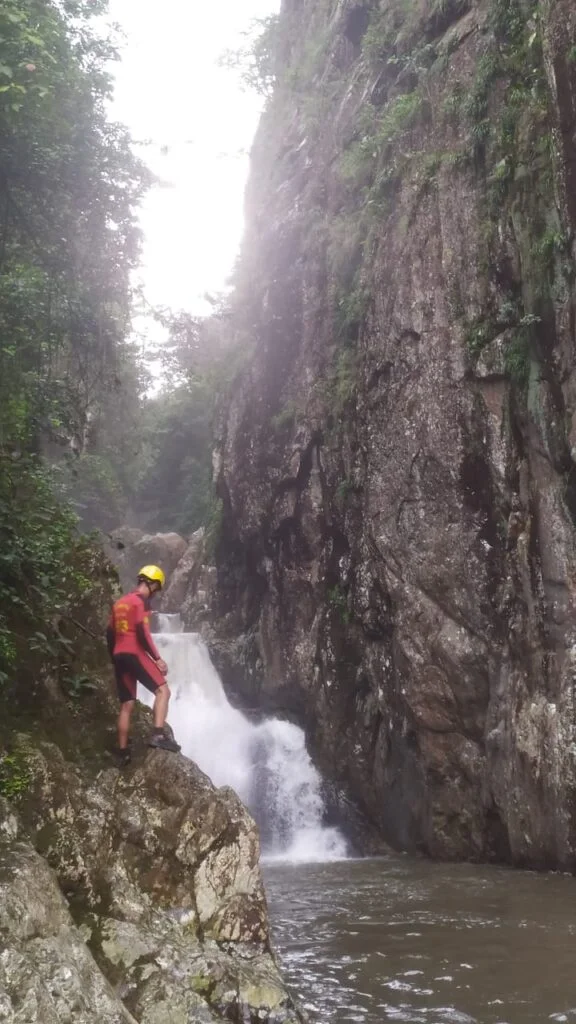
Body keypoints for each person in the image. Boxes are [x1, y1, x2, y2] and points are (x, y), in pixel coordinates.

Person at [106, 564, 180, 764]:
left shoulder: (119, 603)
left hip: (119, 654)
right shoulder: (142, 603)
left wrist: (114, 658)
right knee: (163, 691)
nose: (156, 592)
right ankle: (157, 734)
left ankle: (122, 753)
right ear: (153, 584)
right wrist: (157, 659)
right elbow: (143, 632)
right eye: (157, 587)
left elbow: (110, 634)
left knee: (126, 705)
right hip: (134, 651)